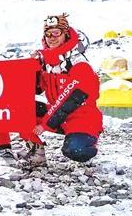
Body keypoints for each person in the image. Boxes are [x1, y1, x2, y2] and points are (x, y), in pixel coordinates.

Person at [27, 13, 102, 164]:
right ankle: (36, 149)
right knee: (21, 109)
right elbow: (34, 89)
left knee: (74, 150)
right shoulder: (47, 61)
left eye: (56, 33)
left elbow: (69, 100)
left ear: (66, 34)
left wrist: (45, 124)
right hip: (59, 116)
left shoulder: (79, 64)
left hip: (82, 118)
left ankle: (88, 142)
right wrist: (32, 68)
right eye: (48, 34)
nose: (51, 38)